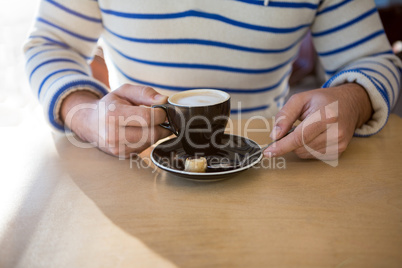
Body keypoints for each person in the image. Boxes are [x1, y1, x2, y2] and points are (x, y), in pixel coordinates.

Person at [24, 0, 401, 159]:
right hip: (135, 164)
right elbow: (50, 43)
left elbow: (372, 59)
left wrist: (353, 99)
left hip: (271, 163)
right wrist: (84, 114)